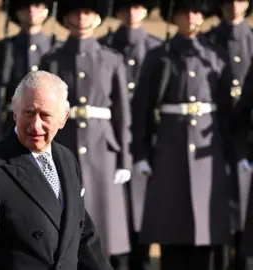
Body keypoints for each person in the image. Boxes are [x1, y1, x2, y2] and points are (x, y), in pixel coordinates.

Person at [0, 70, 113, 270]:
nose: (36, 125)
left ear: (63, 118)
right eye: (29, 113)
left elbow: (81, 233)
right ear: (15, 112)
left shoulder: (67, 160)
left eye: (45, 115)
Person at [131, 0, 233, 269]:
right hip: (169, 148)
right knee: (171, 227)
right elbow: (141, 108)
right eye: (184, 12)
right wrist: (141, 154)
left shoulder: (215, 56)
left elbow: (226, 113)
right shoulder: (158, 55)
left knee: (206, 230)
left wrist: (230, 154)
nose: (190, 17)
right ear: (174, 17)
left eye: (196, 12)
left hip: (208, 154)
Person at [40, 0, 132, 268]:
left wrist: (125, 159)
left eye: (88, 12)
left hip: (103, 148)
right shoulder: (52, 59)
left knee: (106, 226)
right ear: (66, 18)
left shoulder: (112, 59)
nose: (81, 18)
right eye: (76, 12)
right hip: (63, 144)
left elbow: (123, 114)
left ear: (98, 18)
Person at [98, 1, 161, 269]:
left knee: (144, 223)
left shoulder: (158, 48)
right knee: (112, 221)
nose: (131, 12)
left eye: (137, 6)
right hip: (110, 144)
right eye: (125, 6)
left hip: (149, 144)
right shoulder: (104, 46)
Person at [203, 0, 253, 268]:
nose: (234, 5)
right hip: (213, 137)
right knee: (219, 211)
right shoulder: (206, 40)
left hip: (246, 137)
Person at [0, 0, 60, 135]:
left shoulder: (56, 47)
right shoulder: (3, 48)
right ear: (16, 11)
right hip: (14, 125)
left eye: (37, 5)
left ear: (47, 9)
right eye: (25, 6)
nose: (31, 10)